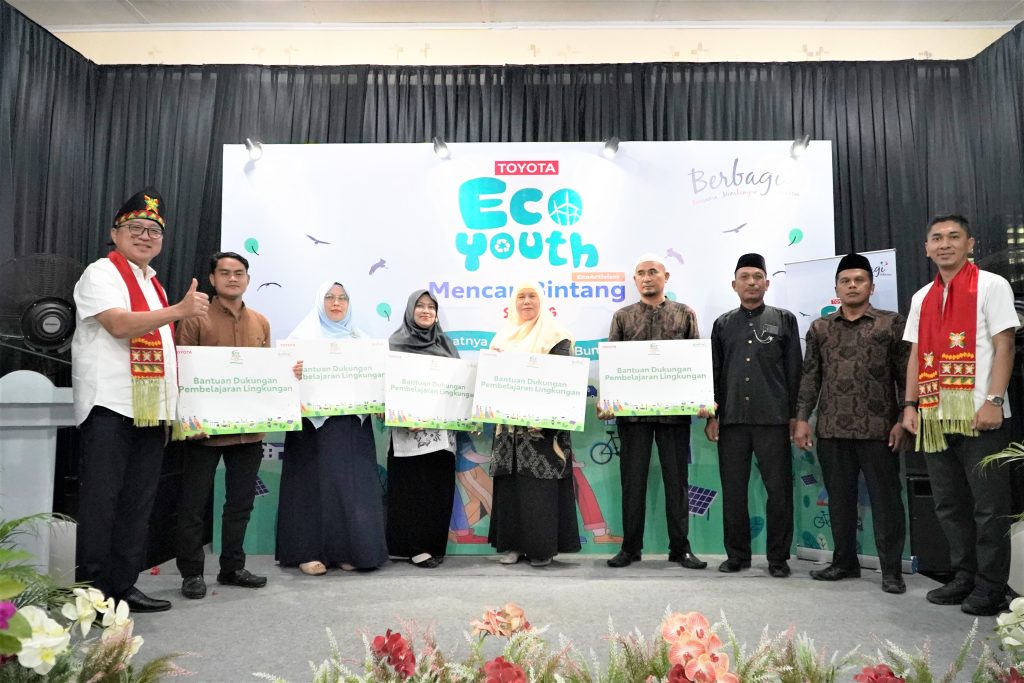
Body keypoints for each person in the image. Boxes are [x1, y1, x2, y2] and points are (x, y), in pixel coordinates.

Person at [72, 187, 209, 612]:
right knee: (102, 505)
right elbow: (118, 324)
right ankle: (94, 596)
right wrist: (179, 311)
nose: (145, 236)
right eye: (135, 227)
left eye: (153, 230)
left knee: (137, 504)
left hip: (149, 410)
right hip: (110, 408)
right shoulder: (100, 274)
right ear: (115, 233)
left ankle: (123, 585)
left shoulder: (153, 284)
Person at [902, 215, 1018, 616]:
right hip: (935, 416)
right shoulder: (922, 297)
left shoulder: (991, 285)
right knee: (949, 505)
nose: (945, 243)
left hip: (982, 415)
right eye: (937, 238)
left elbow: (1005, 345)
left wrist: (994, 400)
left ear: (970, 244)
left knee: (989, 508)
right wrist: (910, 405)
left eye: (954, 237)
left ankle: (991, 586)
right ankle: (964, 576)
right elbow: (915, 354)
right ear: (927, 248)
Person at [793, 253, 909, 594]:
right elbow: (810, 377)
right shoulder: (820, 328)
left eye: (859, 280)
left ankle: (892, 570)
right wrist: (802, 418)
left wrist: (904, 417)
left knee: (887, 503)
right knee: (839, 501)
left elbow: (906, 376)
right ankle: (844, 562)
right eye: (845, 281)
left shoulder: (891, 323)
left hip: (879, 430)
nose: (852, 286)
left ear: (871, 287)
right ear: (836, 289)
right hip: (831, 429)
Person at [601, 253, 707, 570]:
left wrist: (703, 399)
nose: (647, 278)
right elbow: (613, 366)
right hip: (632, 417)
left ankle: (680, 549)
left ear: (666, 277)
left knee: (678, 482)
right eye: (641, 273)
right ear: (635, 280)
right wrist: (607, 400)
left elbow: (695, 363)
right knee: (632, 483)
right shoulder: (622, 317)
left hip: (674, 416)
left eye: (653, 272)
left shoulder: (684, 314)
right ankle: (630, 548)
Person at [174, 251, 271, 599]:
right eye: (225, 273)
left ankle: (232, 567)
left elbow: (266, 373)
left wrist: (288, 374)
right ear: (213, 279)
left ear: (248, 279)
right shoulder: (194, 319)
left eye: (239, 273)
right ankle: (191, 573)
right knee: (193, 505)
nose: (232, 278)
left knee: (240, 504)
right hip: (204, 432)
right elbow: (182, 372)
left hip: (249, 432)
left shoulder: (261, 322)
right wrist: (189, 420)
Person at [276, 281, 388, 575]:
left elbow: (377, 380)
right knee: (310, 487)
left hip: (351, 425)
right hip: (312, 428)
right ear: (320, 301)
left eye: (342, 298)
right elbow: (280, 377)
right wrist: (293, 372)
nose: (336, 303)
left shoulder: (362, 340)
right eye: (329, 297)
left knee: (350, 489)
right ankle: (308, 552)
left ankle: (346, 551)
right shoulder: (301, 338)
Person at [706, 253, 800, 578]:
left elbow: (795, 371)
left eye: (757, 277)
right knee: (734, 491)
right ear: (734, 285)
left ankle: (778, 558)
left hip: (773, 420)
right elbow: (714, 373)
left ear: (767, 283)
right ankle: (737, 555)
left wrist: (796, 416)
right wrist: (712, 416)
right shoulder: (722, 324)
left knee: (779, 492)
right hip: (732, 421)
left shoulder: (784, 320)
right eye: (744, 277)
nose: (751, 282)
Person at [487, 282, 581, 567]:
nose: (526, 302)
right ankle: (514, 545)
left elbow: (562, 380)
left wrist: (543, 415)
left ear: (542, 300)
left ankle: (542, 548)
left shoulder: (556, 336)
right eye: (521, 297)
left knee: (539, 490)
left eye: (532, 296)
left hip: (543, 431)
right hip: (510, 433)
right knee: (512, 488)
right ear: (513, 303)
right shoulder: (502, 337)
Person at [386, 289, 460, 568]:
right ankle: (413, 548)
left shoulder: (447, 344)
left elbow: (458, 387)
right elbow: (385, 388)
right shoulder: (394, 345)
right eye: (420, 306)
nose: (426, 311)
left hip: (441, 434)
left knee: (439, 489)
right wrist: (403, 416)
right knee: (411, 490)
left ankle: (434, 545)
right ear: (410, 310)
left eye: (431, 307)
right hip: (408, 433)